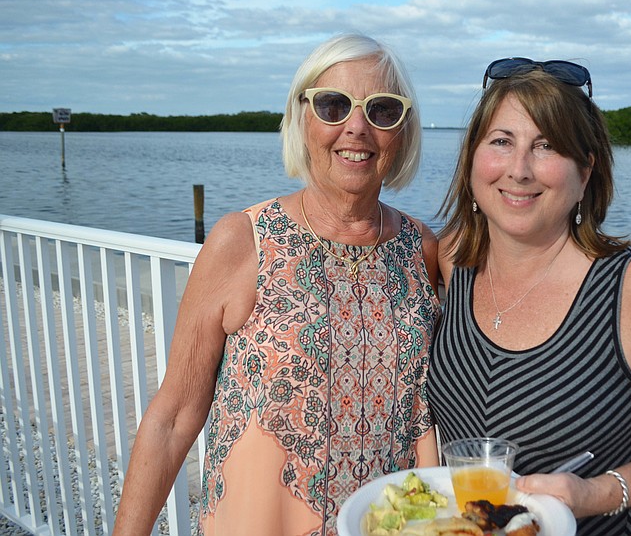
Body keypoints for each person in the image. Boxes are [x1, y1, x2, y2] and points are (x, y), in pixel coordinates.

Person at [114, 34, 442, 536]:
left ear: (403, 128)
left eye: (381, 109)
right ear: (302, 116)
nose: (356, 127)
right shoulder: (242, 241)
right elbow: (174, 415)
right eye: (333, 105)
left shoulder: (422, 248)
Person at [427, 58, 631, 535]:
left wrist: (595, 493)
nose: (520, 169)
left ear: (586, 169)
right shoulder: (452, 259)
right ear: (473, 157)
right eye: (501, 142)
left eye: (546, 146)